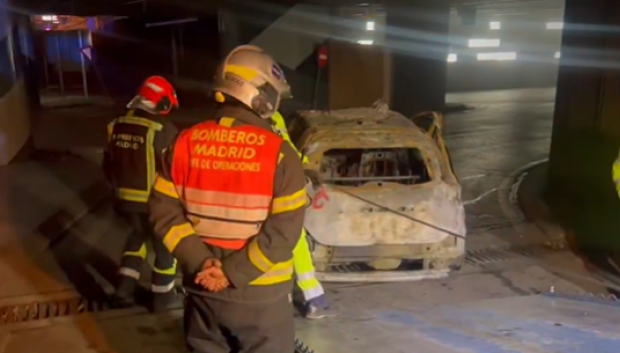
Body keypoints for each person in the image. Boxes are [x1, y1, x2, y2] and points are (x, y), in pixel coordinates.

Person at [148, 45, 307, 353]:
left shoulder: (183, 143)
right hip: (260, 297)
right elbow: (284, 234)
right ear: (256, 95)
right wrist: (231, 274)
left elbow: (163, 214)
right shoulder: (280, 155)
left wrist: (201, 262)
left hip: (202, 289)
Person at [103, 76, 179, 312]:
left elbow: (107, 163)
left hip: (124, 201)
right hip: (153, 202)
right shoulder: (162, 129)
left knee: (136, 240)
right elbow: (173, 168)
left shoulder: (116, 124)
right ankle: (162, 300)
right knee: (165, 250)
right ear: (161, 103)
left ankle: (123, 290)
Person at [271, 111, 332, 319]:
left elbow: (285, 145)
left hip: (280, 185)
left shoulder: (276, 116)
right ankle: (309, 298)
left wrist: (304, 165)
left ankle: (311, 297)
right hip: (264, 187)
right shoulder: (252, 119)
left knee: (296, 238)